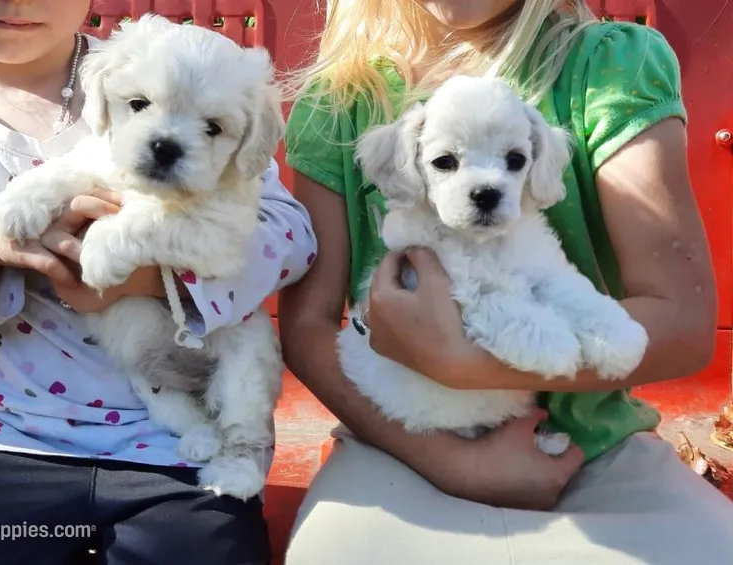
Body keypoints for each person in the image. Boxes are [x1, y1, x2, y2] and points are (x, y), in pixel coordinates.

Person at [280, 1, 733, 563]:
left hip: (592, 448)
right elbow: (307, 324)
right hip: (396, 443)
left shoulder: (610, 68)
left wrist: (462, 361)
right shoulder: (342, 98)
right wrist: (452, 461)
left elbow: (684, 324)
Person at [0, 1, 316, 564]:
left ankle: (239, 446)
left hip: (175, 454)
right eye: (139, 107)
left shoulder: (197, 72)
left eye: (209, 128)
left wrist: (152, 279)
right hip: (2, 437)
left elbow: (294, 240)